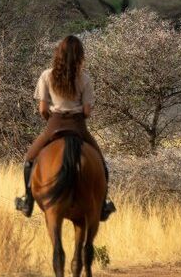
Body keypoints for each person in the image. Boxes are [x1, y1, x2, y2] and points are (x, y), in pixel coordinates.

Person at [14, 35, 116, 221]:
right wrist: (79, 116)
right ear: (80, 55)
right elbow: (86, 111)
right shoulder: (84, 78)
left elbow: (43, 109)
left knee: (29, 159)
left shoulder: (46, 75)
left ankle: (27, 201)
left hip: (54, 124)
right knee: (101, 163)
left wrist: (52, 119)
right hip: (78, 125)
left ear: (58, 53)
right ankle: (103, 205)